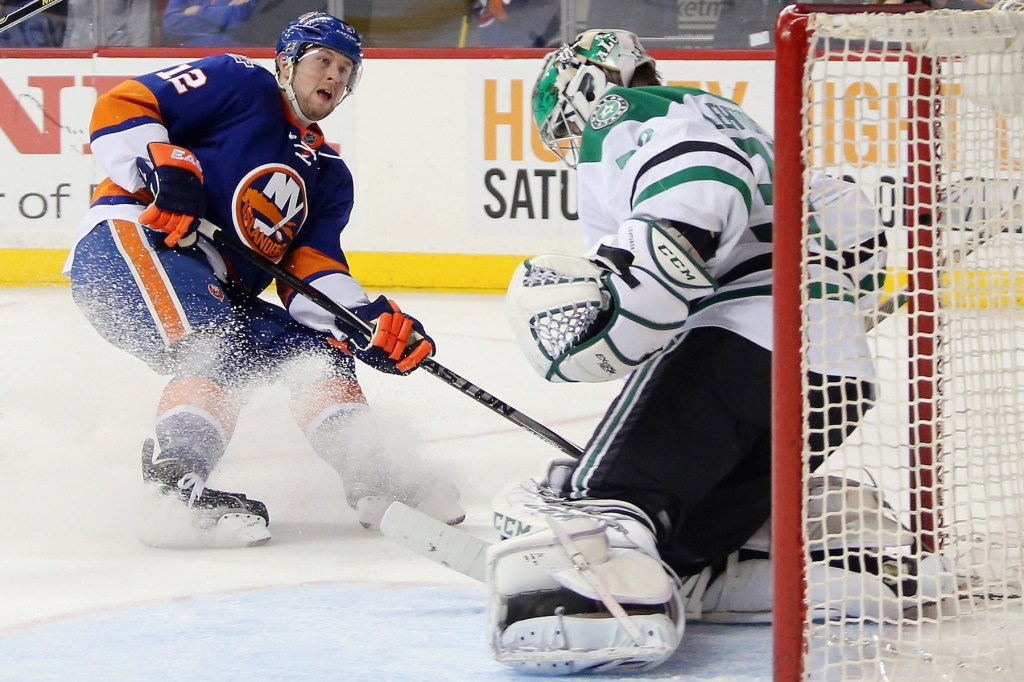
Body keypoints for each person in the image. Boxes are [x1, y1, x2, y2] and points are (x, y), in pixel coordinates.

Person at [487, 29, 953, 673]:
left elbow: (701, 176)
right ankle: (838, 572)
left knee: (603, 503)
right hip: (836, 373)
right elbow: (851, 222)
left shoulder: (624, 114)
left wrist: (651, 268)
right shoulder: (735, 119)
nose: (574, 137)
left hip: (738, 343)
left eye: (566, 118)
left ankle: (600, 608)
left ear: (588, 85)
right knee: (682, 544)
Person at [63, 12, 463, 548]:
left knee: (314, 353)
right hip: (130, 243)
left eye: (346, 69)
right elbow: (124, 104)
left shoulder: (328, 174)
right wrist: (162, 167)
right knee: (218, 345)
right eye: (323, 60)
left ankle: (370, 475)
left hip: (212, 283)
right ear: (286, 62)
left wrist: (363, 323)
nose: (334, 77)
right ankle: (168, 492)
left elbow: (310, 272)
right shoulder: (241, 83)